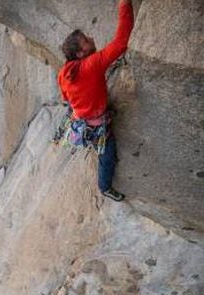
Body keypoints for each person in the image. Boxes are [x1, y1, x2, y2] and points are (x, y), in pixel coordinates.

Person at [57, 0, 134, 201]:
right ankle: (104, 187)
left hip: (79, 116)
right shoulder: (92, 65)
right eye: (86, 41)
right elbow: (121, 42)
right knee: (107, 157)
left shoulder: (64, 72)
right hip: (95, 123)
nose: (91, 38)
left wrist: (84, 98)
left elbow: (65, 97)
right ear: (81, 53)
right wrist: (124, 4)